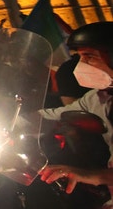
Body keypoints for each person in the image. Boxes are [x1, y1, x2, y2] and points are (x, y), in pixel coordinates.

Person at [38, 22, 113, 206]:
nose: (81, 65)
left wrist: (87, 175)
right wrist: (8, 118)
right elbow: (56, 115)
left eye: (89, 57)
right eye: (79, 57)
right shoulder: (98, 97)